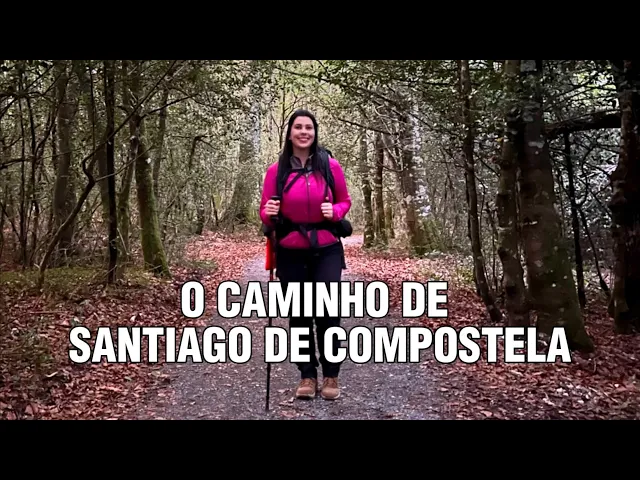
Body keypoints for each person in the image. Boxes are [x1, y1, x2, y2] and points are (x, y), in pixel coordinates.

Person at [259, 109, 352, 401]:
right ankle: (307, 376)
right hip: (290, 249)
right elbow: (265, 211)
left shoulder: (330, 166)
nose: (303, 132)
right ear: (290, 133)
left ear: (315, 132)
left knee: (327, 312)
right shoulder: (276, 171)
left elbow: (345, 201)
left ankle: (331, 374)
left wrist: (334, 212)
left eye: (308, 127)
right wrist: (269, 212)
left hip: (326, 248)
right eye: (298, 127)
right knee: (299, 314)